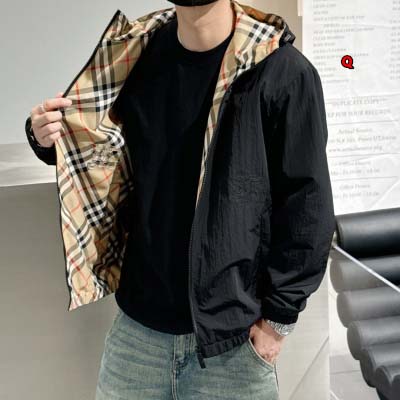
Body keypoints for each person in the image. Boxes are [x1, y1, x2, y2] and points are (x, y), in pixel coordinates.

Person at [25, 0, 336, 398]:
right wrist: (45, 136)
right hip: (136, 336)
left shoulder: (281, 70)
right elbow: (100, 147)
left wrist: (278, 320)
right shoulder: (133, 53)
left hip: (232, 345)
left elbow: (308, 206)